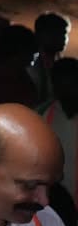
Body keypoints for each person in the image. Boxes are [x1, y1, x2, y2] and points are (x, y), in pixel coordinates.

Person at [46, 58, 78, 202]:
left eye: (71, 86)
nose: (67, 93)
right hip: (55, 203)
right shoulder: (42, 117)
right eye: (61, 86)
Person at [32, 13, 71, 109]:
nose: (64, 38)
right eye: (59, 33)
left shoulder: (58, 63)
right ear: (42, 34)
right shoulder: (30, 62)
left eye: (65, 34)